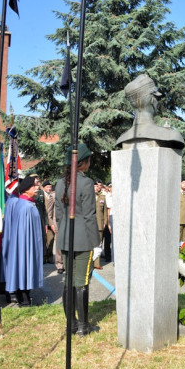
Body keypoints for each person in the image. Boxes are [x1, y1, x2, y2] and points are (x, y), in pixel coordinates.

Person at [55, 143, 101, 337]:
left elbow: (58, 214)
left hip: (65, 238)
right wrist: (96, 243)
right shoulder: (85, 182)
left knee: (69, 282)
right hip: (83, 239)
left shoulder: (59, 183)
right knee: (81, 282)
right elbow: (90, 215)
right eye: (88, 160)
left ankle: (71, 324)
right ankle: (82, 326)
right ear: (82, 163)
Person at [1, 176, 44, 307]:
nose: (37, 188)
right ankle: (24, 298)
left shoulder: (25, 203)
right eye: (34, 186)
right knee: (24, 266)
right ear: (26, 190)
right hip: (25, 245)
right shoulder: (25, 206)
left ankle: (24, 295)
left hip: (26, 244)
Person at [44, 180, 63, 274]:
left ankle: (67, 263)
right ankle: (60, 264)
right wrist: (51, 223)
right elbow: (49, 212)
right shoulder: (54, 196)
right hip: (57, 223)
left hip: (67, 221)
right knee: (59, 244)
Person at [93, 180, 108, 270]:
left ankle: (97, 263)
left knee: (98, 244)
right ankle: (89, 262)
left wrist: (105, 222)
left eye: (100, 186)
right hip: (89, 224)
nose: (98, 187)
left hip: (99, 223)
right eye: (97, 186)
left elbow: (105, 211)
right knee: (89, 243)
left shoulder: (102, 197)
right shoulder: (88, 196)